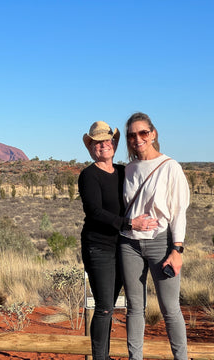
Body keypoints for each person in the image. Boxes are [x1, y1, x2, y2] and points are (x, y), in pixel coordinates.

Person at [79, 121, 158, 360]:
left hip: (124, 246)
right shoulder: (89, 176)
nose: (104, 145)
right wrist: (130, 224)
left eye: (107, 140)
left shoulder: (125, 172)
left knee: (113, 305)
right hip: (99, 247)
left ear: (114, 143)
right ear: (91, 148)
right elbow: (95, 212)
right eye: (97, 142)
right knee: (104, 307)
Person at [119, 112, 189, 360]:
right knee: (134, 308)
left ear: (153, 133)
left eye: (142, 133)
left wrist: (177, 250)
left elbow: (179, 211)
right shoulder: (128, 169)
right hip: (129, 243)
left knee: (170, 309)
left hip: (161, 242)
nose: (137, 139)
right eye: (131, 135)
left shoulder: (170, 167)